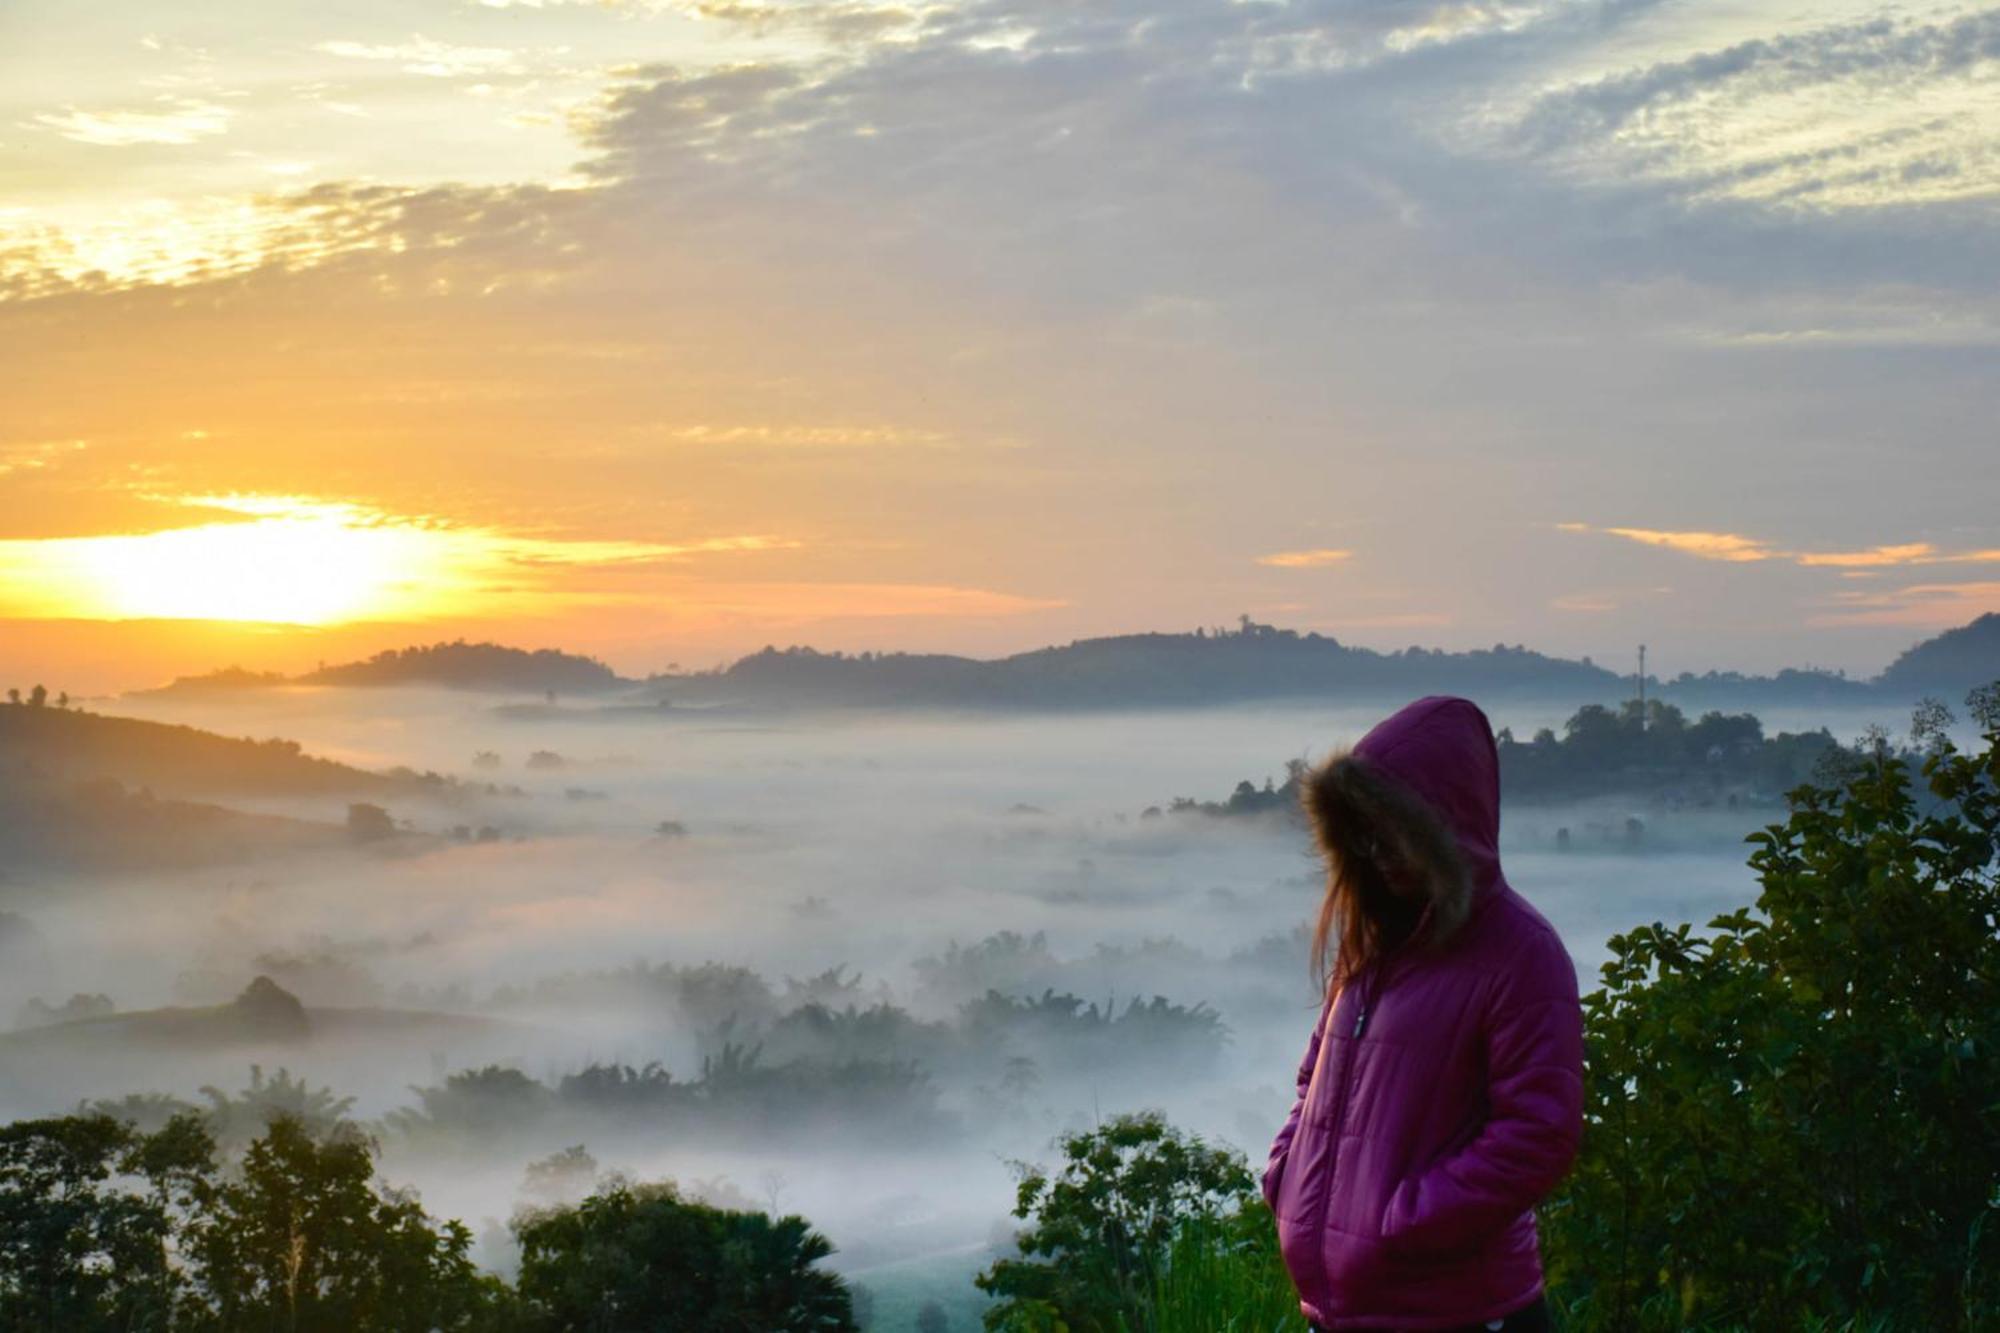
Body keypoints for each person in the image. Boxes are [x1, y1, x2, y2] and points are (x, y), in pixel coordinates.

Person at [1263, 696, 1584, 1332]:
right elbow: (1314, 1084)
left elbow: (1538, 1133)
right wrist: (1287, 1175)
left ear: (1446, 830)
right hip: (1343, 1314)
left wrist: (1401, 1223)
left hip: (1460, 1313)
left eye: (1395, 832)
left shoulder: (1521, 954)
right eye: (1364, 832)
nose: (1378, 852)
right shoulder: (1373, 948)